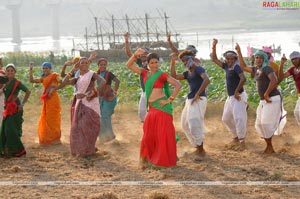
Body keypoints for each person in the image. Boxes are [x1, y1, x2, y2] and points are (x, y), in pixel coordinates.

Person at [126, 49, 181, 168]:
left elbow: (178, 84)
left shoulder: (162, 75)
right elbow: (128, 65)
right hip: (151, 108)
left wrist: (169, 100)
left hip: (162, 107)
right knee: (149, 134)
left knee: (163, 134)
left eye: (156, 62)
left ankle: (164, 159)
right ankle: (147, 158)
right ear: (147, 64)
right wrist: (135, 54)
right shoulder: (144, 73)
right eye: (152, 63)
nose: (155, 65)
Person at [51, 57, 106, 157]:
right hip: (79, 103)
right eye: (82, 63)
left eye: (86, 63)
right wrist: (72, 70)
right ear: (79, 65)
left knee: (88, 125)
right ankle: (83, 149)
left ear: (88, 64)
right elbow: (64, 82)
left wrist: (93, 91)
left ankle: (89, 148)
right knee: (77, 127)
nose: (85, 64)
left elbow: (103, 81)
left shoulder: (92, 74)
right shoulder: (77, 78)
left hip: (90, 103)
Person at [236, 43, 283, 154]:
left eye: (261, 58)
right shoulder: (256, 69)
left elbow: (274, 81)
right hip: (263, 100)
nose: (258, 59)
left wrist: (266, 94)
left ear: (265, 59)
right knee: (260, 124)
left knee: (266, 123)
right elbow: (243, 67)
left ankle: (270, 147)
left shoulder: (267, 68)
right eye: (256, 57)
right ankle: (269, 146)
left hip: (272, 98)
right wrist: (239, 52)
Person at [170, 50, 210, 158]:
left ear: (192, 59)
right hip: (190, 100)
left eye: (186, 59)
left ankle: (201, 149)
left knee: (193, 122)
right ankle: (197, 146)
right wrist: (172, 63)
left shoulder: (198, 69)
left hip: (199, 99)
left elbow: (207, 80)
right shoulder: (188, 73)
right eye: (183, 60)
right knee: (184, 124)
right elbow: (173, 76)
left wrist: (197, 94)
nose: (184, 62)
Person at [211, 39, 247, 150]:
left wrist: (236, 91)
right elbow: (214, 59)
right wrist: (214, 46)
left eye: (232, 58)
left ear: (235, 59)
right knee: (225, 118)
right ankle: (236, 136)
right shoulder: (227, 66)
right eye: (228, 58)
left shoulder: (236, 67)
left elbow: (243, 78)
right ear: (226, 60)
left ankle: (242, 141)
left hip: (238, 95)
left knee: (239, 118)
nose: (230, 60)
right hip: (230, 97)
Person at [0, 64, 31, 157]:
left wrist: (22, 104)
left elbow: (28, 91)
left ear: (15, 72)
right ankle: (5, 149)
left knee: (10, 129)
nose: (10, 72)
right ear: (5, 72)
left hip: (15, 107)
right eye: (8, 70)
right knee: (4, 128)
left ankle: (18, 150)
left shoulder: (17, 82)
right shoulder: (4, 80)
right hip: (7, 107)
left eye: (12, 70)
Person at [29, 62, 61, 145]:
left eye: (46, 68)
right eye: (43, 68)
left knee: (53, 118)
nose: (45, 70)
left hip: (53, 99)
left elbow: (61, 83)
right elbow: (31, 80)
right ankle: (47, 137)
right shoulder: (43, 78)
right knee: (46, 118)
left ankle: (55, 138)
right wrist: (31, 69)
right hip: (47, 100)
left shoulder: (55, 75)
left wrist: (53, 88)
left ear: (50, 68)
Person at [124, 32, 149, 122]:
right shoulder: (140, 63)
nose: (143, 55)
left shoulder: (151, 64)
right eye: (141, 53)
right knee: (142, 113)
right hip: (144, 91)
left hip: (151, 91)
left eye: (145, 53)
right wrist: (126, 41)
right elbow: (128, 53)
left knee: (149, 112)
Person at [97, 58, 120, 143]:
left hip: (109, 97)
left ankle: (110, 137)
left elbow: (117, 81)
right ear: (98, 66)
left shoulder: (108, 74)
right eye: (101, 64)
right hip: (101, 98)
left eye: (104, 64)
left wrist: (115, 92)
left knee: (105, 116)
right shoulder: (97, 74)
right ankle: (103, 137)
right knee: (101, 117)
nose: (103, 66)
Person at [279, 51, 300, 125]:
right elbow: (282, 76)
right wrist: (281, 64)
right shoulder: (293, 69)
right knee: (297, 113)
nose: (294, 60)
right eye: (292, 59)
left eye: (296, 58)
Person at [0, 58, 6, 125]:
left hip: (1, 93)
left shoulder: (3, 72)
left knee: (1, 110)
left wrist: (2, 90)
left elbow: (6, 83)